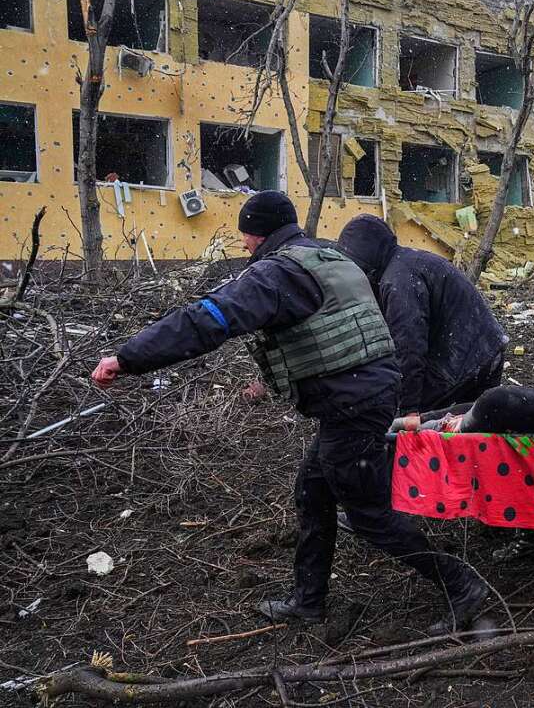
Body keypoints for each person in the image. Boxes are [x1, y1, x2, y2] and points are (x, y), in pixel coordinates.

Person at [91, 191, 488, 633]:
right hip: (364, 394)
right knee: (313, 491)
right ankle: (308, 602)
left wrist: (128, 358)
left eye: (244, 235)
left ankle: (461, 584)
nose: (243, 245)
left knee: (367, 513)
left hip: (353, 402)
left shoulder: (277, 274)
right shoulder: (325, 254)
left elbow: (208, 319)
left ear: (255, 234)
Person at [339, 214, 508, 421]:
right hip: (485, 348)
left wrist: (409, 409)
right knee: (470, 429)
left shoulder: (397, 281)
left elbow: (409, 346)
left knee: (413, 425)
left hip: (462, 358)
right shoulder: (406, 262)